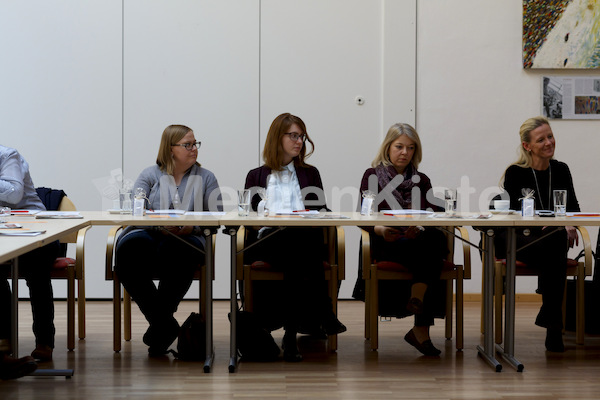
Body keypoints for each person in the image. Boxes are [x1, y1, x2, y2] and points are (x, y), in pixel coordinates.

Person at [243, 113, 346, 362]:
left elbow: (320, 209)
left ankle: (290, 335)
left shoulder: (310, 173)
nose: (299, 141)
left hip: (300, 245)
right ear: (277, 138)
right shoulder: (256, 175)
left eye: (302, 136)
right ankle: (324, 309)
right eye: (293, 135)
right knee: (298, 241)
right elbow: (248, 216)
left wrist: (324, 214)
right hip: (268, 242)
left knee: (298, 242)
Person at [115, 125, 222, 356]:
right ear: (170, 149)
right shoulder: (149, 175)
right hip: (148, 234)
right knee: (128, 249)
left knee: (175, 248)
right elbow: (137, 209)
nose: (194, 149)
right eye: (188, 144)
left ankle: (159, 328)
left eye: (195, 144)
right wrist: (158, 226)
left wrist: (190, 227)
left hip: (188, 238)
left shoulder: (206, 178)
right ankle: (165, 324)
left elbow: (217, 218)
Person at [356, 123, 448, 357]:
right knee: (432, 253)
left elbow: (429, 212)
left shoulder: (421, 179)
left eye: (410, 147)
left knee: (435, 238)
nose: (404, 152)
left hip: (414, 241)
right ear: (388, 147)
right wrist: (381, 229)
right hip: (386, 241)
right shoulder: (372, 176)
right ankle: (421, 329)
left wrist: (417, 227)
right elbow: (362, 216)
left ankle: (418, 306)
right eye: (399, 146)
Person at [497, 116, 580, 352]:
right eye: (541, 139)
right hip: (520, 239)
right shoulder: (516, 172)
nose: (548, 143)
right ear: (527, 146)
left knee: (555, 237)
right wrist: (546, 226)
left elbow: (573, 208)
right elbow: (512, 214)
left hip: (550, 241)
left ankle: (550, 318)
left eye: (550, 136)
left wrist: (568, 224)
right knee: (554, 240)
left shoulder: (561, 169)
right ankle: (553, 326)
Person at [0, 145, 60, 362]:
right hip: (4, 235)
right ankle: (3, 345)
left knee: (37, 269)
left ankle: (44, 341)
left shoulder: (7, 155)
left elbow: (14, 195)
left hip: (38, 232)